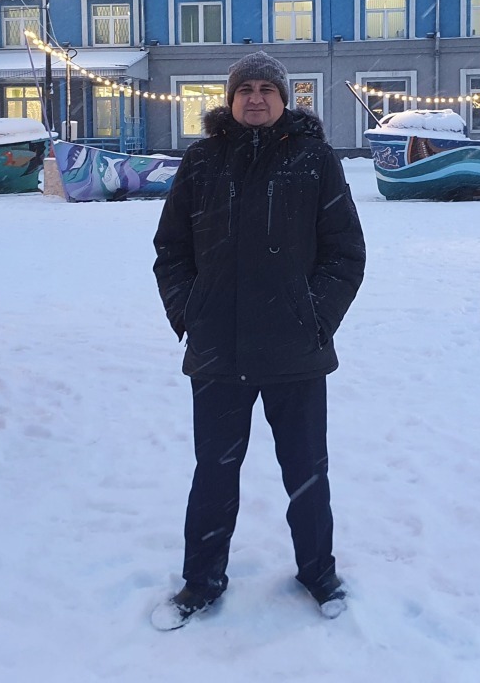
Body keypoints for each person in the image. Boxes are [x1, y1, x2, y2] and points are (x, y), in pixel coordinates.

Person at [150, 51, 366, 630]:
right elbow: (170, 251)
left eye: (266, 89)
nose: (255, 98)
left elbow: (345, 253)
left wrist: (314, 318)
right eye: (244, 89)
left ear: (284, 98)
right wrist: (191, 314)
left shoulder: (315, 160)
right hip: (219, 352)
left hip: (296, 352)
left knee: (306, 472)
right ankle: (202, 580)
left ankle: (318, 573)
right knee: (214, 474)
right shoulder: (200, 162)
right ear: (229, 98)